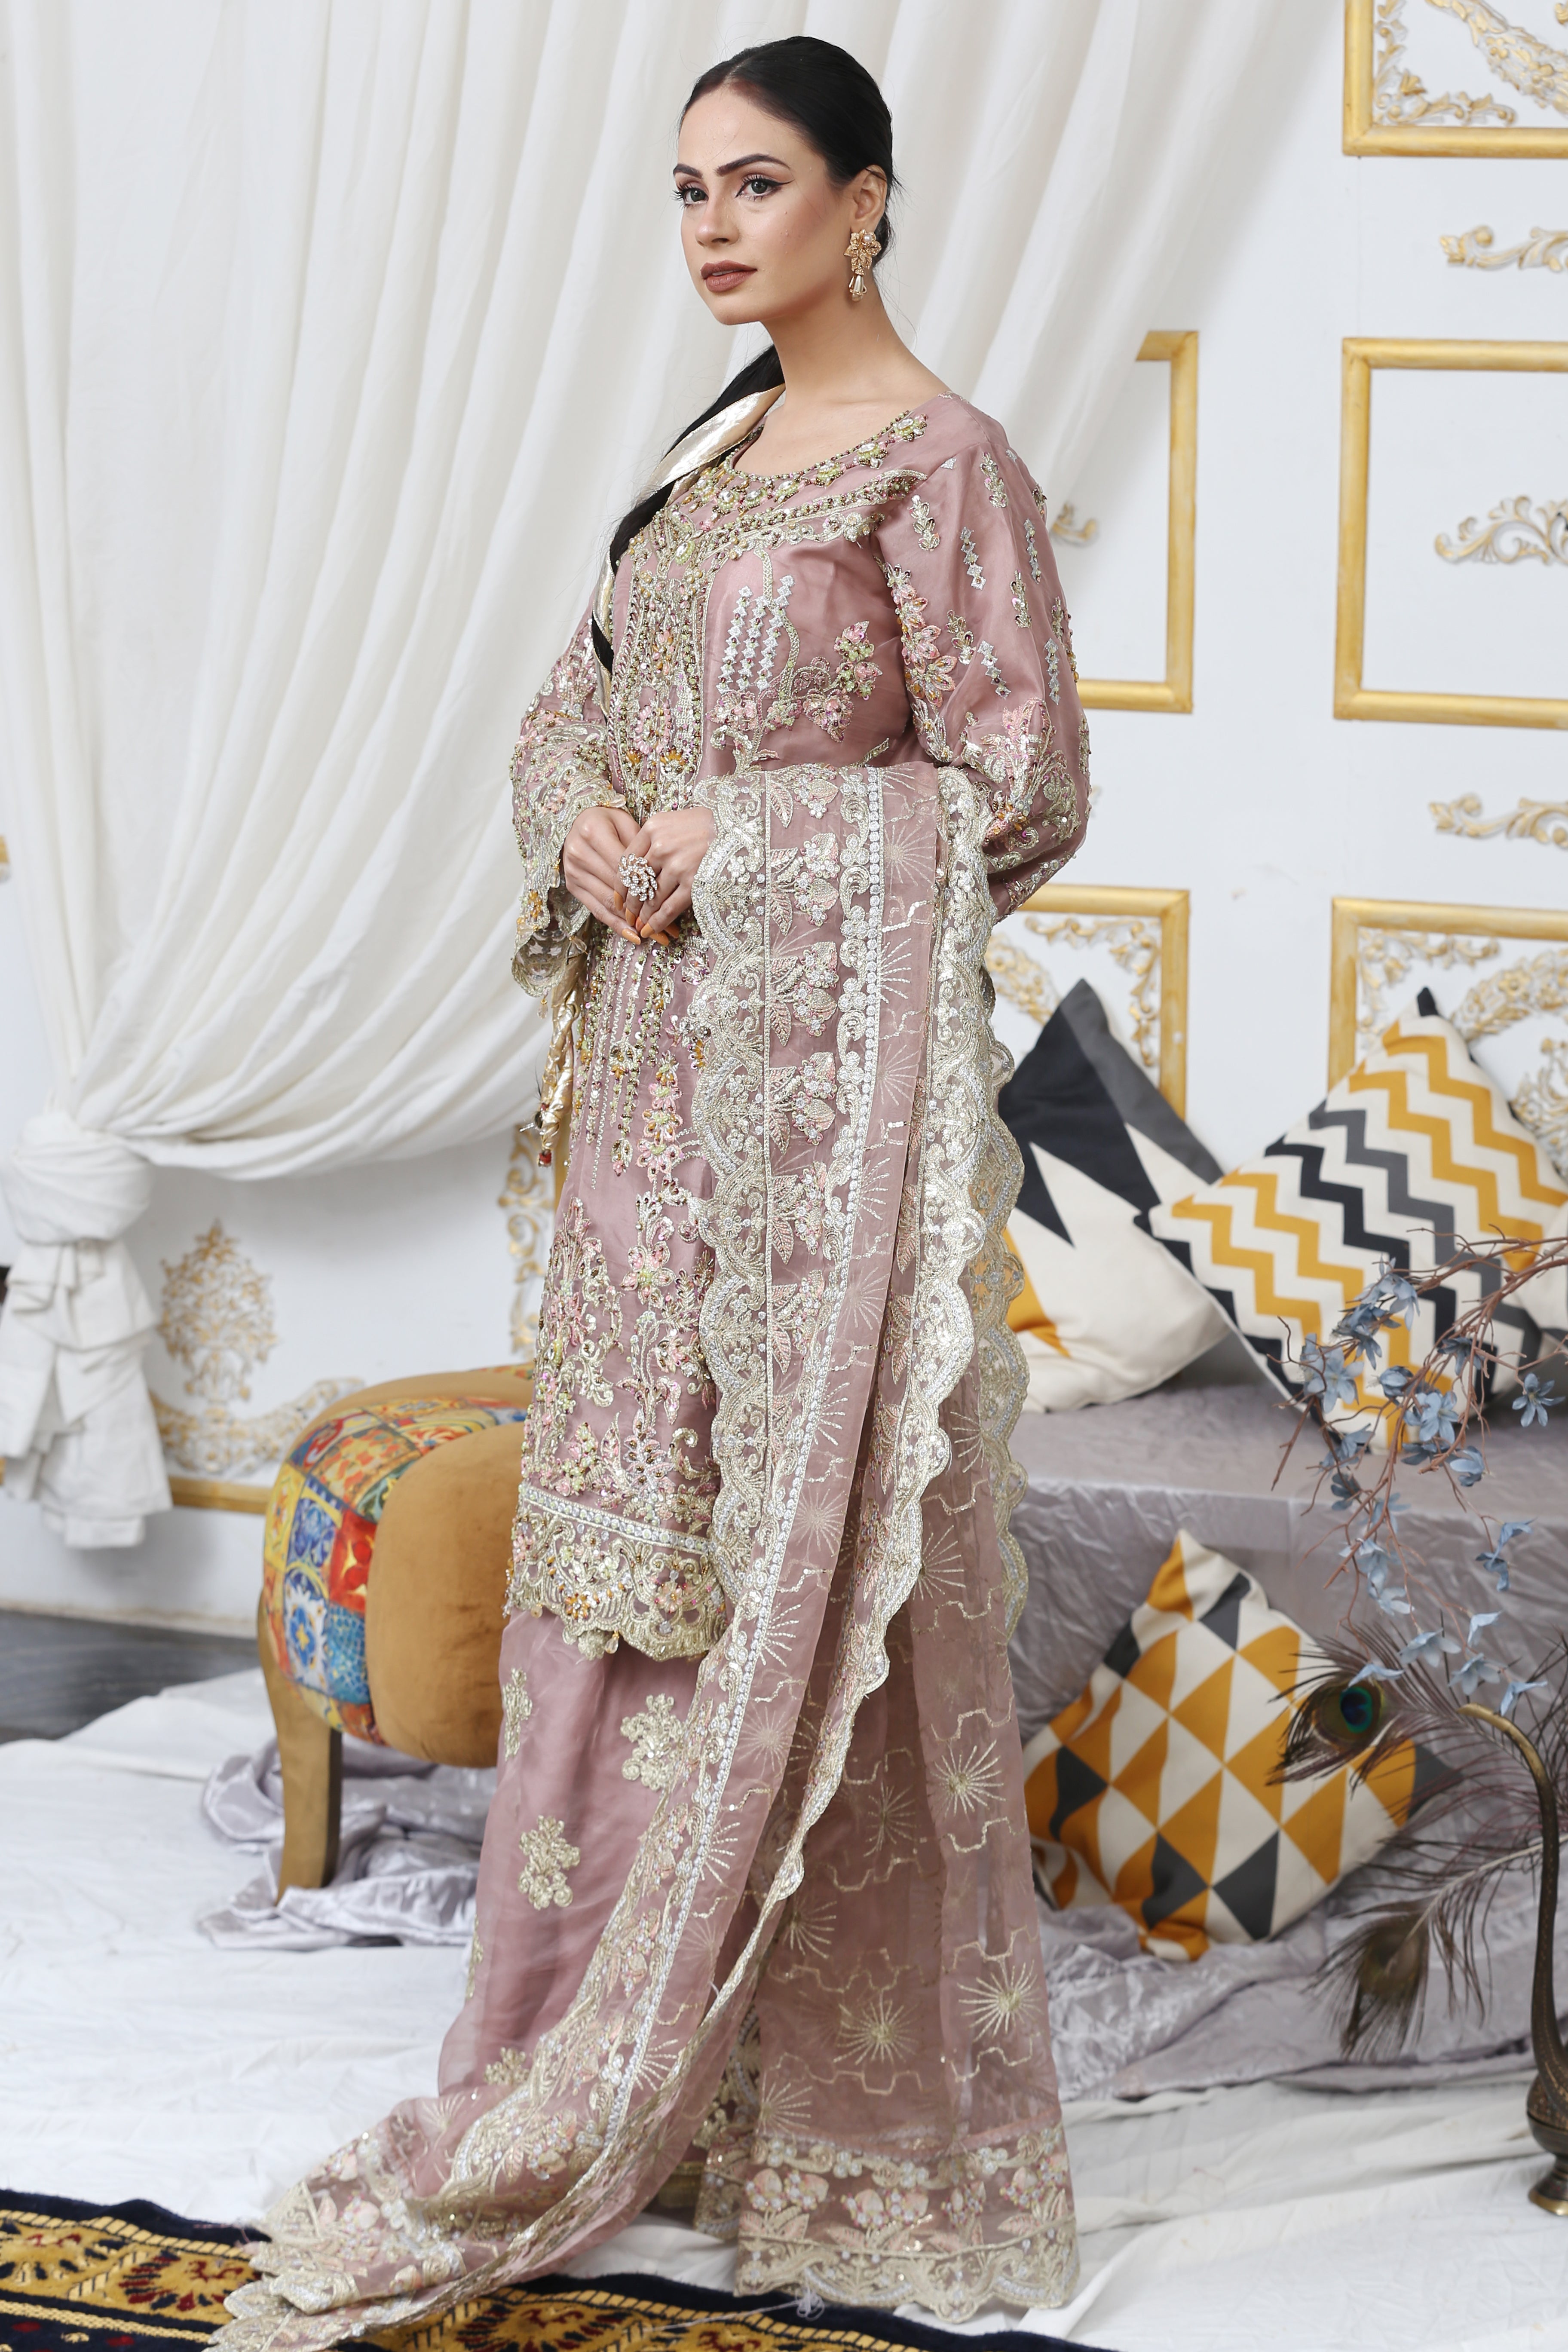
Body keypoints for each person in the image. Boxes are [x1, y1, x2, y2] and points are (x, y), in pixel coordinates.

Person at [221, 37, 1090, 2350]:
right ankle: (598, 2057)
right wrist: (593, 824)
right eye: (688, 188)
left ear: (868, 202)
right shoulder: (707, 462)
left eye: (759, 182)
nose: (713, 226)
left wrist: (750, 838)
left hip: (813, 1150)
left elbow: (1018, 788)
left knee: (806, 1571)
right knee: (632, 1562)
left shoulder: (944, 464)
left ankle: (824, 2109)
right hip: (643, 1116)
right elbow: (563, 721)